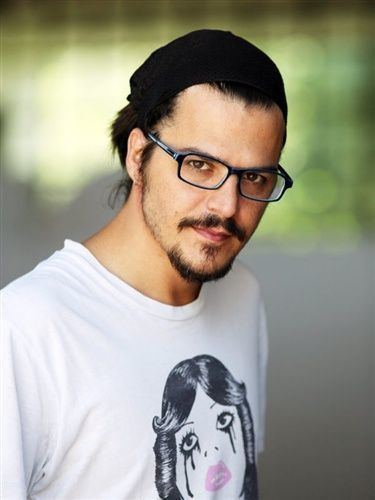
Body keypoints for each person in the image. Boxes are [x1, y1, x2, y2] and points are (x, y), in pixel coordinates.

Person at [1, 29, 293, 499]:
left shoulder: (243, 294)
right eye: (200, 165)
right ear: (139, 157)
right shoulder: (26, 329)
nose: (227, 206)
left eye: (254, 177)